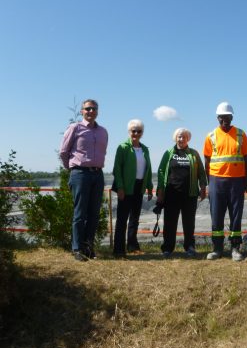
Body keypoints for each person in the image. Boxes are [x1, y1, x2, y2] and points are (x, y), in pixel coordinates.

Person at [203, 101, 247, 261]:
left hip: (236, 181)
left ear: (232, 117)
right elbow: (207, 161)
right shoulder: (210, 136)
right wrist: (208, 183)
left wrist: (246, 183)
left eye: (228, 117)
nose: (225, 120)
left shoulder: (240, 134)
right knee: (216, 215)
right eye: (222, 117)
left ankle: (235, 249)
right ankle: (217, 248)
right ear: (218, 118)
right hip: (216, 181)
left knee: (236, 216)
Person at [59, 99, 108, 261]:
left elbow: (103, 152)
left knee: (94, 213)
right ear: (82, 111)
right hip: (80, 174)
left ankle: (88, 248)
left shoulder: (103, 131)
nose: (91, 111)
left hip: (97, 174)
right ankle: (77, 249)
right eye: (88, 109)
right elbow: (64, 152)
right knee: (80, 214)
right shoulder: (75, 128)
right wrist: (73, 170)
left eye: (94, 108)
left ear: (97, 111)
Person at [156, 128, 207, 257]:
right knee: (169, 223)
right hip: (171, 194)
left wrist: (203, 187)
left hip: (190, 194)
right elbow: (161, 171)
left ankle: (189, 247)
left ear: (188, 139)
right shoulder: (169, 153)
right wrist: (161, 190)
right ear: (175, 138)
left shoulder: (194, 154)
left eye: (184, 137)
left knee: (189, 223)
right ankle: (167, 248)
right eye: (179, 137)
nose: (181, 139)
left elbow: (201, 172)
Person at [112, 119, 153, 257]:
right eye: (133, 131)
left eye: (139, 131)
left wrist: (149, 186)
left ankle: (132, 246)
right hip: (126, 187)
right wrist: (120, 187)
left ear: (142, 133)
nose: (136, 133)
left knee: (134, 218)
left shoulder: (145, 149)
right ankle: (118, 249)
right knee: (122, 219)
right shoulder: (122, 147)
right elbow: (117, 169)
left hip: (139, 187)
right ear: (129, 132)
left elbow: (148, 168)